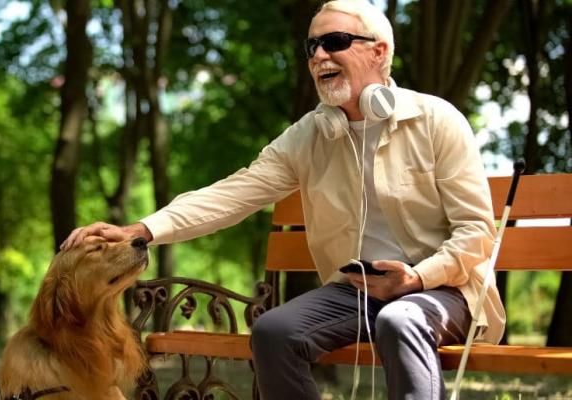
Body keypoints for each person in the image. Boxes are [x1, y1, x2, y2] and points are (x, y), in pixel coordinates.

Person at [61, 0, 505, 398]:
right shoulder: (311, 135)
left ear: (380, 52)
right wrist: (141, 229)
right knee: (273, 330)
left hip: (441, 290)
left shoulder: (436, 120)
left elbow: (477, 232)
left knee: (400, 318)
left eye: (334, 42)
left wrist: (416, 278)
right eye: (311, 47)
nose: (318, 56)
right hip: (356, 291)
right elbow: (232, 194)